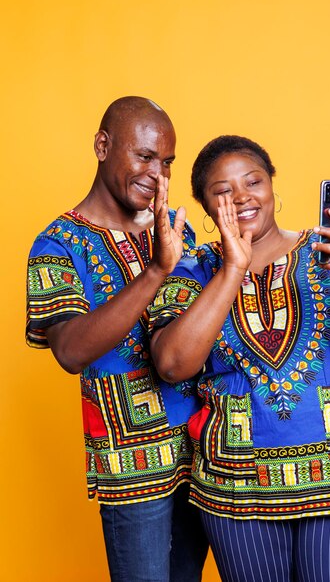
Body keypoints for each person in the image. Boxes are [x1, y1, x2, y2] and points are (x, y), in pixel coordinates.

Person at [149, 135, 330, 582]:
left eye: (253, 181)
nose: (242, 196)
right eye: (223, 191)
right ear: (206, 208)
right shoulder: (192, 270)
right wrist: (233, 268)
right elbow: (173, 364)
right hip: (237, 489)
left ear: (272, 185)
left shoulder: (329, 252)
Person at [26, 96, 208, 582]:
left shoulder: (177, 233)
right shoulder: (58, 244)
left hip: (206, 461)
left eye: (167, 162)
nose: (157, 174)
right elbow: (69, 350)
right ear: (103, 146)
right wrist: (156, 270)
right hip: (133, 469)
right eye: (145, 157)